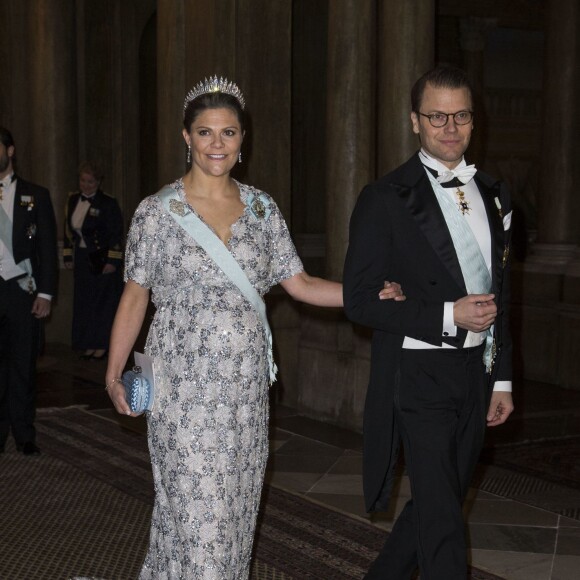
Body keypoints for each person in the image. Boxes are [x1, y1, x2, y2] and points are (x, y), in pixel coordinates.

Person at [104, 76, 404, 579]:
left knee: (233, 516)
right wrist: (114, 374)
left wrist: (366, 294)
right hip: (181, 389)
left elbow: (301, 284)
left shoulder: (263, 210)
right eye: (205, 132)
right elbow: (135, 296)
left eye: (229, 132)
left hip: (244, 392)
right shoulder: (156, 213)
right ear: (186, 137)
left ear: (243, 139)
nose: (216, 144)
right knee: (198, 517)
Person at [343, 66, 515, 579]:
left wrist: (501, 377)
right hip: (418, 377)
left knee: (437, 504)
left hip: (475, 374)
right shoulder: (384, 198)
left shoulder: (495, 194)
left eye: (460, 115)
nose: (450, 127)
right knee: (443, 524)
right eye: (436, 116)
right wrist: (447, 314)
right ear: (415, 121)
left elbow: (506, 295)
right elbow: (359, 300)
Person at [0, 126, 58, 456]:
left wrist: (46, 294)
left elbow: (48, 248)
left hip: (22, 289)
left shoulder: (35, 195)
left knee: (22, 364)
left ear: (10, 151)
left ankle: (24, 433)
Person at [63, 162, 123, 360]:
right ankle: (88, 342)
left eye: (90, 181)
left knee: (102, 304)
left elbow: (116, 235)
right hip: (81, 257)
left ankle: (103, 344)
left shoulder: (107, 203)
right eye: (83, 181)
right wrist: (67, 256)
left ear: (98, 182)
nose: (86, 185)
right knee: (84, 303)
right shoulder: (73, 200)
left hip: (101, 257)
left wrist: (112, 262)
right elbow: (67, 231)